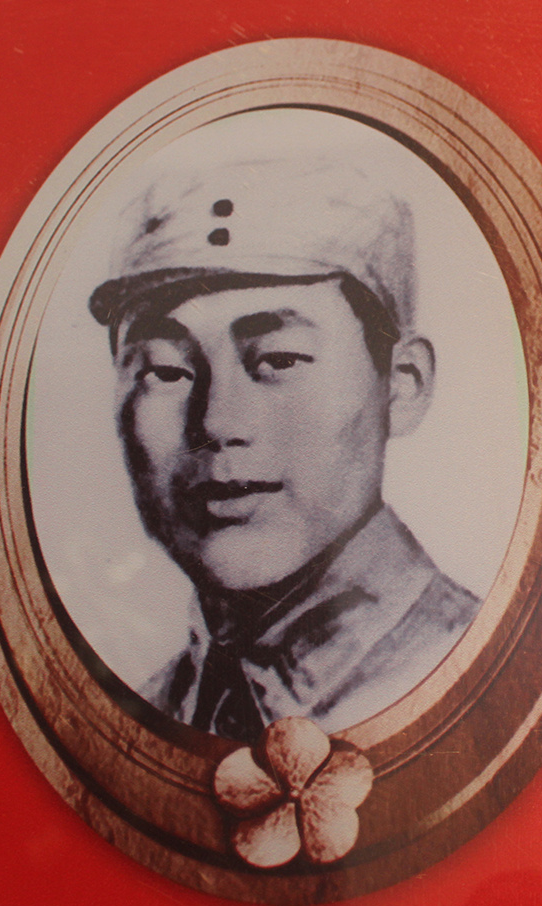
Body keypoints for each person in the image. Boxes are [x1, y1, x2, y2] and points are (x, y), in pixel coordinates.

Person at [88, 140, 481, 743]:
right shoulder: (137, 719)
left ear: (402, 384)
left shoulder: (476, 673)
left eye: (278, 359)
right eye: (165, 370)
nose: (216, 423)